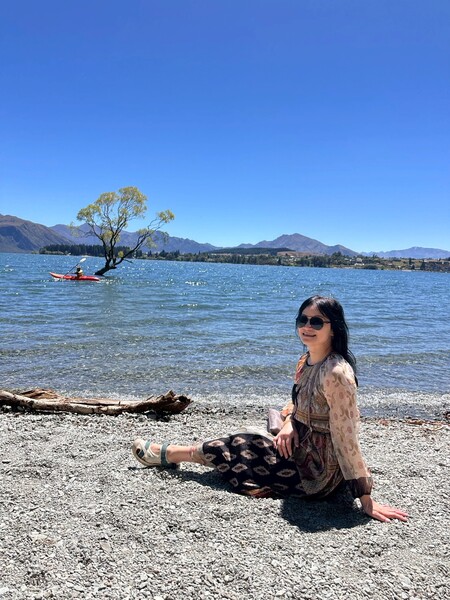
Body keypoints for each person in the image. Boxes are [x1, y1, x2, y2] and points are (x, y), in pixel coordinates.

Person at [132, 295, 408, 523]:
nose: (307, 326)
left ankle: (168, 454)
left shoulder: (336, 373)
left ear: (333, 328)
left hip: (319, 471)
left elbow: (347, 438)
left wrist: (366, 499)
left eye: (316, 322)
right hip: (301, 445)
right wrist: (289, 423)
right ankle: (183, 456)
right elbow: (298, 403)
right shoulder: (306, 360)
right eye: (302, 320)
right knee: (247, 439)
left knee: (240, 443)